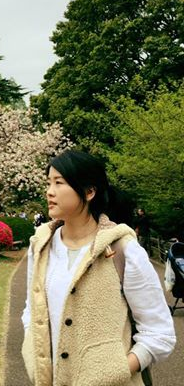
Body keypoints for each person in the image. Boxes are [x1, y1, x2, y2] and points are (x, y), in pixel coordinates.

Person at [21, 150, 175, 386]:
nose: (49, 191)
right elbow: (32, 309)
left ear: (89, 192)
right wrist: (32, 351)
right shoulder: (40, 245)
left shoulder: (124, 250)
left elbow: (160, 333)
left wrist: (114, 372)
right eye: (48, 183)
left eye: (59, 183)